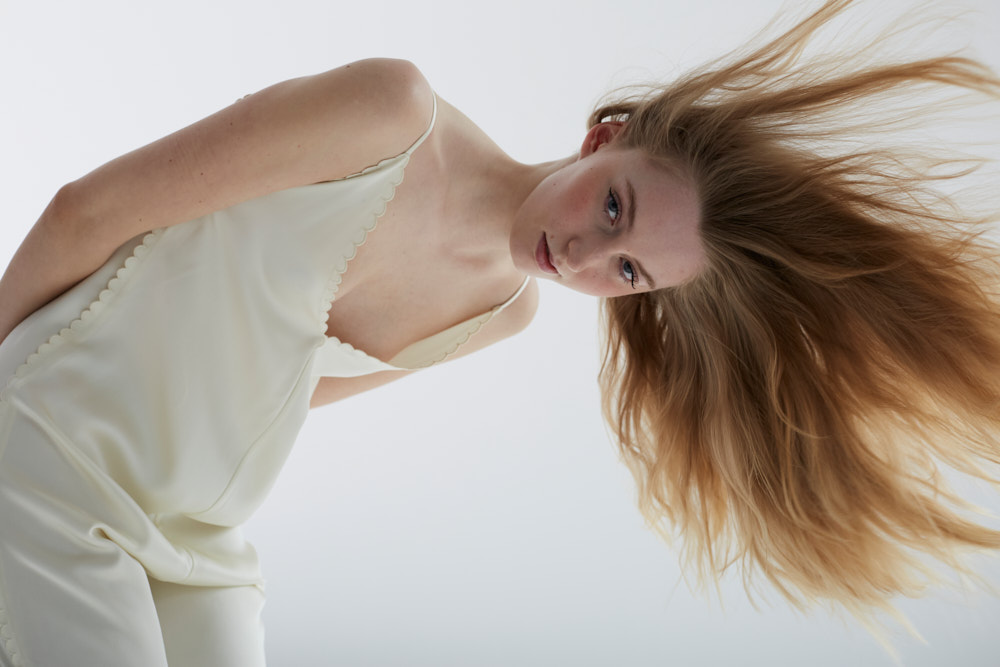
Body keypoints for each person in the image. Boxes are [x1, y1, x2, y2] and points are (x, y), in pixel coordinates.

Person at [1, 0, 999, 663]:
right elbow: (85, 212)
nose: (583, 258)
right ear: (604, 139)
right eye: (612, 210)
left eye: (628, 271)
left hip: (189, 536)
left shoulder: (500, 315)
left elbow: (276, 398)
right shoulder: (388, 112)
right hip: (49, 450)